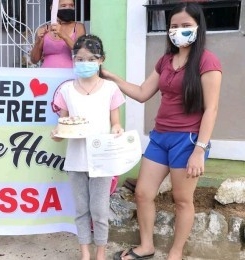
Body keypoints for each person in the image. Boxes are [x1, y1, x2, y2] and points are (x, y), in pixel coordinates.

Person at [102, 3, 222, 260]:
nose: (179, 31)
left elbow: (211, 109)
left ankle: (175, 253)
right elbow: (143, 93)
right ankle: (146, 246)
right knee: (143, 193)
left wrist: (199, 150)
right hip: (160, 137)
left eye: (185, 26)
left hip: (188, 140)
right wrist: (113, 78)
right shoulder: (166, 60)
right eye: (174, 26)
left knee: (182, 200)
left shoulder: (207, 61)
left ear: (198, 28)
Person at [51, 34, 125, 260]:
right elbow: (62, 125)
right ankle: (85, 253)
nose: (84, 63)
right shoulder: (66, 91)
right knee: (81, 210)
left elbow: (116, 123)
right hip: (76, 160)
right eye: (79, 59)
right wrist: (57, 134)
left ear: (101, 59)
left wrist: (117, 130)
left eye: (89, 59)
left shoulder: (111, 89)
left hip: (101, 161)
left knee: (100, 211)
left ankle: (100, 252)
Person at [30, 0, 85, 68]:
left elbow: (81, 53)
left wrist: (63, 35)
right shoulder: (45, 29)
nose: (68, 8)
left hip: (70, 75)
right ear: (53, 8)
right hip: (47, 75)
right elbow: (34, 60)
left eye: (71, 5)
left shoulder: (78, 27)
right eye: (63, 6)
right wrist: (38, 41)